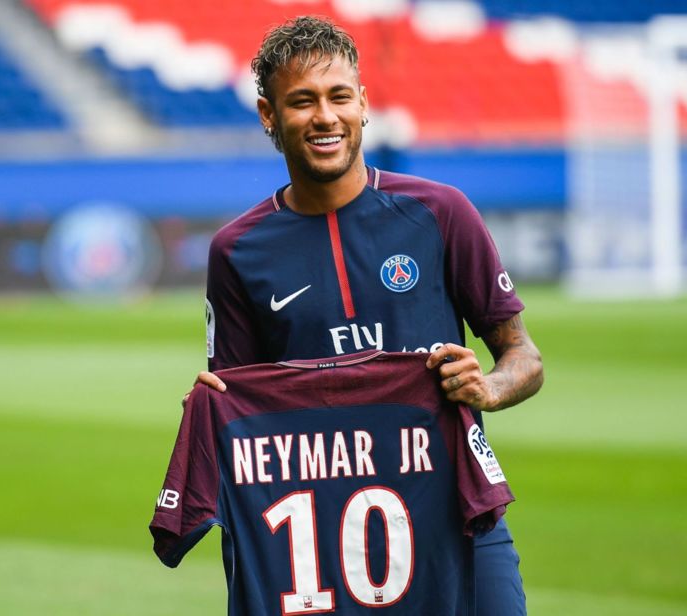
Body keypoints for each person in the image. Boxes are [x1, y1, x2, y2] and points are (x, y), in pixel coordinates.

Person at [190, 15, 544, 615]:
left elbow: (524, 357)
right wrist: (211, 409)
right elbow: (239, 404)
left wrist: (487, 386)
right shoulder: (237, 251)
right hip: (317, 535)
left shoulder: (441, 213)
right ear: (268, 115)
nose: (325, 117)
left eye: (338, 97)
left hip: (457, 511)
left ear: (363, 104)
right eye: (301, 102)